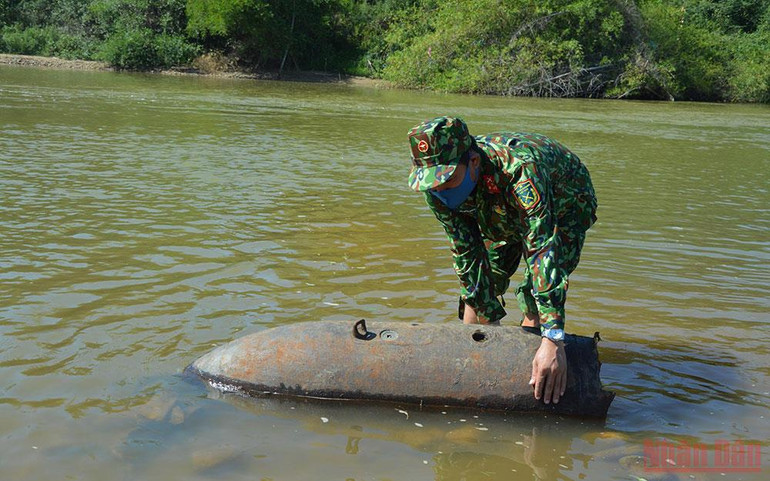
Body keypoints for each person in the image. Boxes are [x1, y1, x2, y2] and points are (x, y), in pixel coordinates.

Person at [406, 116, 597, 405]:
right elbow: (467, 254)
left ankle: (537, 378)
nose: (440, 191)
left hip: (565, 202)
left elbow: (543, 252)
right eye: (433, 184)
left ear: (472, 162)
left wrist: (554, 339)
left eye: (447, 180)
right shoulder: (436, 186)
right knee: (483, 285)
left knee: (536, 289)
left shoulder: (520, 172)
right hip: (491, 201)